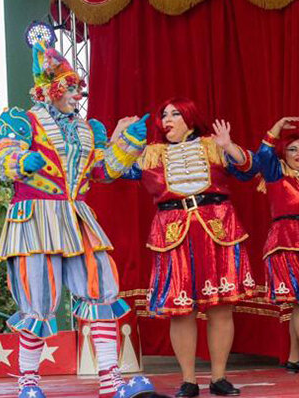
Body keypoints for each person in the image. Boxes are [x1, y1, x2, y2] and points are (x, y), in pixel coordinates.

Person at [0, 41, 155, 398]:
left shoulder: (87, 128)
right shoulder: (22, 120)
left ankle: (111, 381)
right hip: (35, 217)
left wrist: (127, 144)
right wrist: (20, 163)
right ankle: (29, 383)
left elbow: (102, 171)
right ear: (50, 88)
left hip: (76, 216)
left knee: (100, 289)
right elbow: (2, 157)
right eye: (71, 86)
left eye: (79, 88)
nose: (78, 94)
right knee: (37, 297)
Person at [125, 97, 258, 397]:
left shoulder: (214, 145)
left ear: (189, 118)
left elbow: (250, 169)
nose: (167, 119)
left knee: (221, 309)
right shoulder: (151, 155)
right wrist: (122, 139)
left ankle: (219, 378)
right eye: (164, 115)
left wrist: (229, 147)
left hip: (217, 228)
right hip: (173, 232)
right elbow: (113, 170)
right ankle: (188, 380)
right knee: (180, 311)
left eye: (175, 114)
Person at [255, 116, 299, 372]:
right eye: (293, 149)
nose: (297, 155)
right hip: (286, 242)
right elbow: (262, 154)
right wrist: (277, 127)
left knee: (297, 306)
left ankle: (294, 358)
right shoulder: (276, 174)